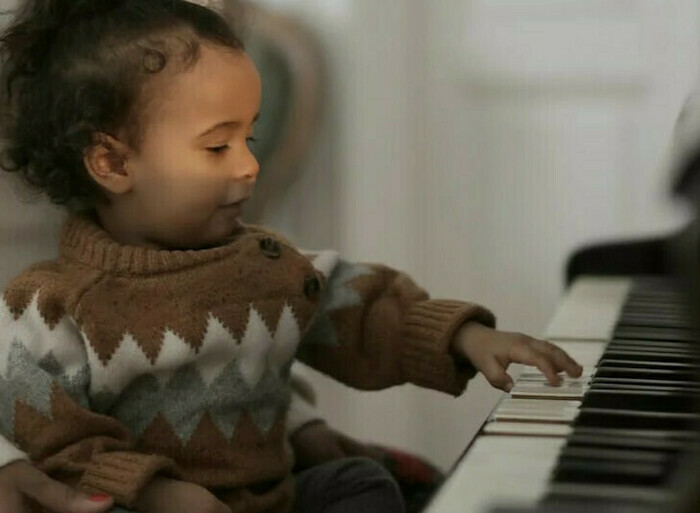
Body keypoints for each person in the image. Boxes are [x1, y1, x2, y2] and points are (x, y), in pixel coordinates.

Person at [0, 0, 582, 512]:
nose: (248, 164)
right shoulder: (50, 308)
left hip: (277, 497)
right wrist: (154, 492)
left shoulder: (269, 266)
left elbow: (363, 308)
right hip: (147, 503)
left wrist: (464, 338)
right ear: (114, 164)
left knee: (362, 483)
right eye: (217, 145)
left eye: (248, 138)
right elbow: (56, 444)